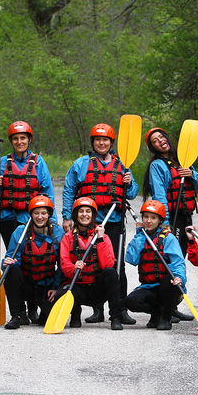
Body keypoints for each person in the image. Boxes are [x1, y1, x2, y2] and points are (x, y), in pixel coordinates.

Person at [62, 123, 138, 325]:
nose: (101, 143)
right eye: (98, 140)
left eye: (105, 140)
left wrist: (129, 182)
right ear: (93, 142)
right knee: (90, 263)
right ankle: (98, 311)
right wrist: (67, 216)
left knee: (115, 265)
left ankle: (120, 308)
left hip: (113, 222)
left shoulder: (122, 165)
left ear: (111, 143)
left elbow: (131, 194)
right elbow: (69, 190)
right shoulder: (81, 164)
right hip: (86, 222)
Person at [0, 120, 57, 322]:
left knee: (35, 258)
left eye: (23, 138)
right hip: (8, 218)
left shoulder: (39, 162)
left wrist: (48, 218)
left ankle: (33, 308)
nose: (20, 142)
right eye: (16, 139)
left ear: (29, 140)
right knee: (16, 261)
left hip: (31, 218)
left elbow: (47, 191)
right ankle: (17, 311)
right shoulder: (2, 162)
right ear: (11, 141)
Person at [142, 127, 198, 322]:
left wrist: (192, 173)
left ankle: (172, 305)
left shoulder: (183, 161)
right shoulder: (157, 166)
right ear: (153, 148)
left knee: (179, 262)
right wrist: (165, 223)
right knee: (167, 263)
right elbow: (159, 196)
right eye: (154, 141)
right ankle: (162, 308)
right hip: (171, 220)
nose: (160, 141)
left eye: (161, 137)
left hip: (185, 217)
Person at [58, 197, 124, 330]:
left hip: (96, 291)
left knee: (111, 273)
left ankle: (115, 317)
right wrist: (73, 267)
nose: (84, 214)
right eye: (81, 211)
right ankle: (75, 314)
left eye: (88, 211)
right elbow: (64, 265)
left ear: (93, 215)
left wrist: (100, 240)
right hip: (77, 288)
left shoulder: (103, 237)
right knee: (62, 292)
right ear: (76, 216)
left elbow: (108, 265)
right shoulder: (67, 237)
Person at [1, 195, 64, 329]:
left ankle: (41, 311)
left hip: (47, 286)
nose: (40, 217)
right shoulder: (20, 232)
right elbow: (11, 258)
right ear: (31, 215)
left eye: (43, 213)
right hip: (27, 284)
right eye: (36, 213)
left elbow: (62, 265)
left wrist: (55, 287)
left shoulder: (58, 232)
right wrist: (6, 263)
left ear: (49, 215)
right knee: (11, 271)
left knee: (45, 321)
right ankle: (17, 315)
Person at [124, 200, 187, 330]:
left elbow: (178, 262)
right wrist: (140, 236)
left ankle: (166, 317)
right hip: (149, 287)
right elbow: (131, 258)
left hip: (169, 288)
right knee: (131, 301)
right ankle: (157, 312)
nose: (148, 221)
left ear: (160, 220)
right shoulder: (141, 237)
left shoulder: (168, 238)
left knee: (166, 281)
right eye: (146, 217)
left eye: (153, 218)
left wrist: (179, 278)